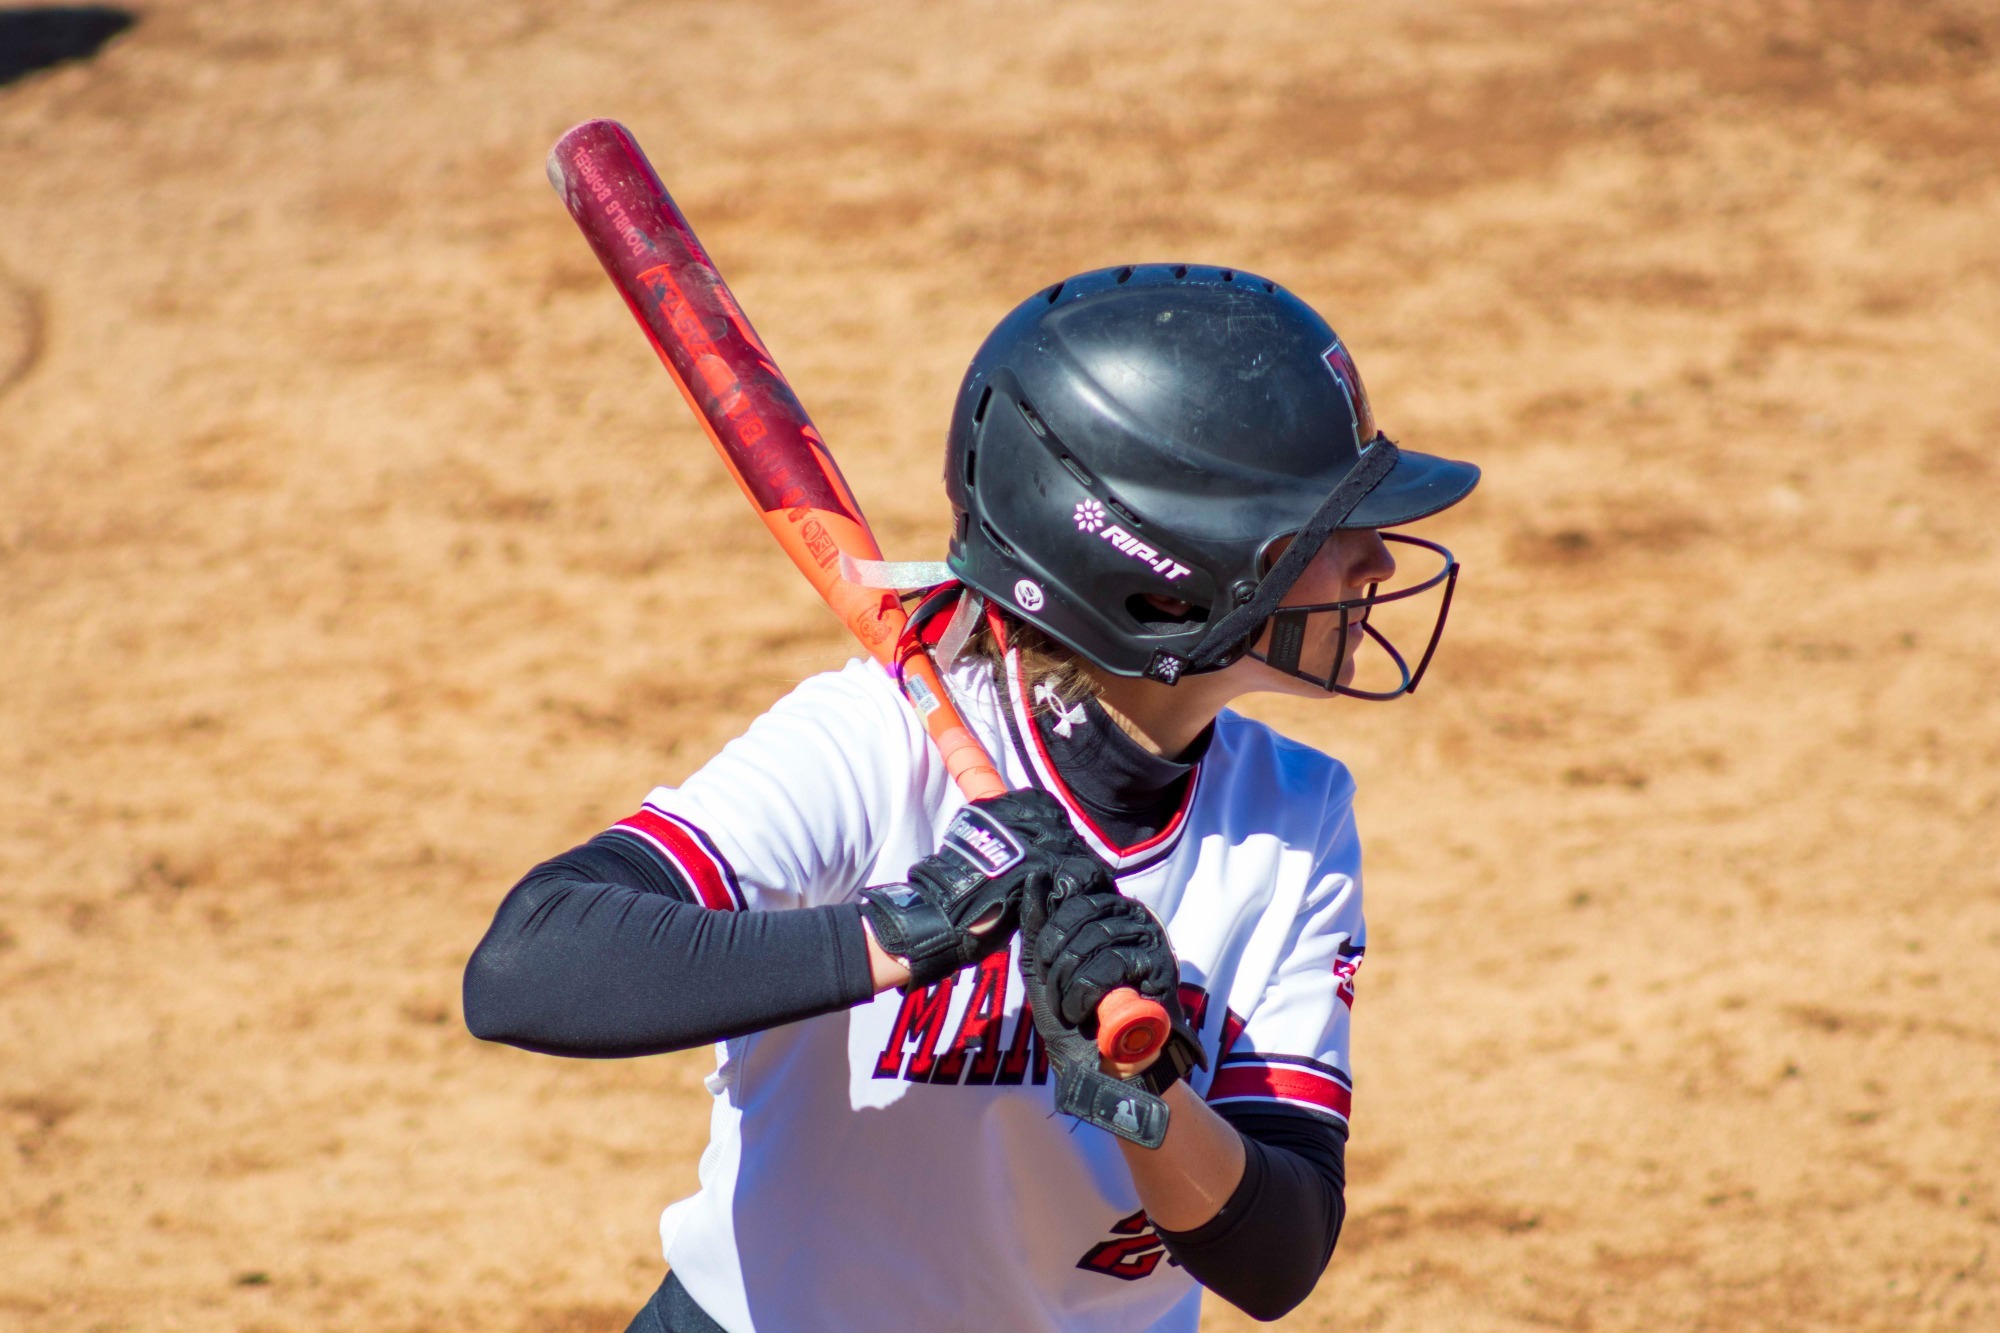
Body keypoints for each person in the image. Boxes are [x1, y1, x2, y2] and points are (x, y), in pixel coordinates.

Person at [463, 263, 1479, 1331]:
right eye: (1319, 534)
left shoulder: (1293, 818)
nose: (1371, 560)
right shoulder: (871, 743)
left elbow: (1277, 1255)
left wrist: (1140, 1092)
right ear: (1167, 575)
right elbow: (531, 961)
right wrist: (906, 928)